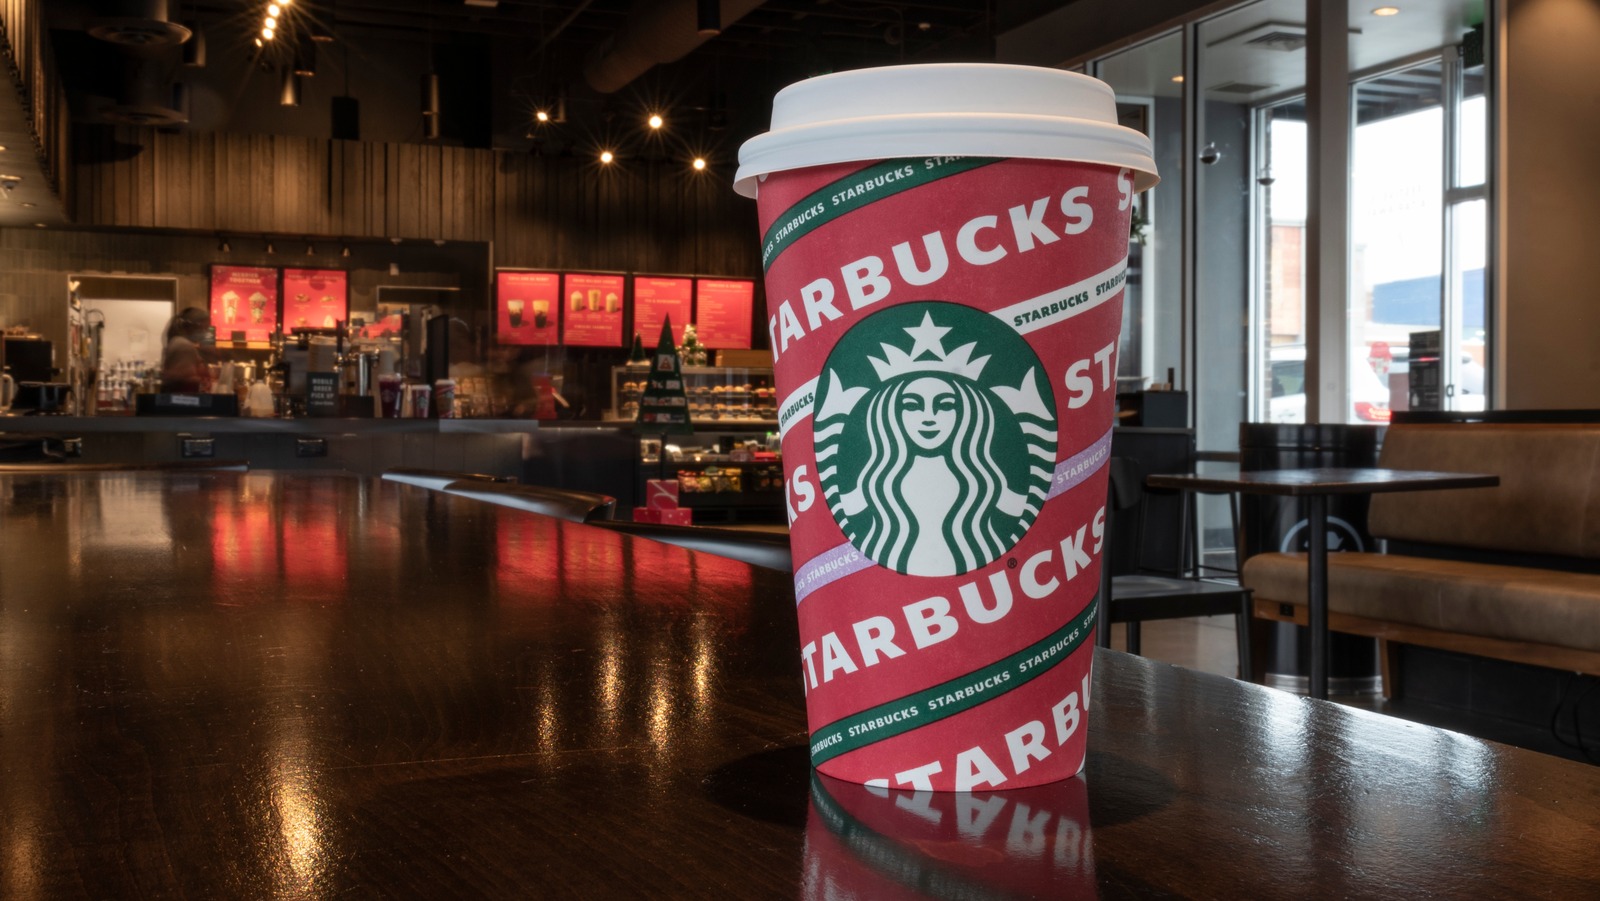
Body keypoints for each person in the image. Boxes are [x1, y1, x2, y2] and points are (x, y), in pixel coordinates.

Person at [161, 307, 212, 393]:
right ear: (194, 326)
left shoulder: (177, 342)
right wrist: (204, 379)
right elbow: (184, 378)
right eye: (204, 328)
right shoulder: (183, 346)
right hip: (182, 401)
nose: (205, 333)